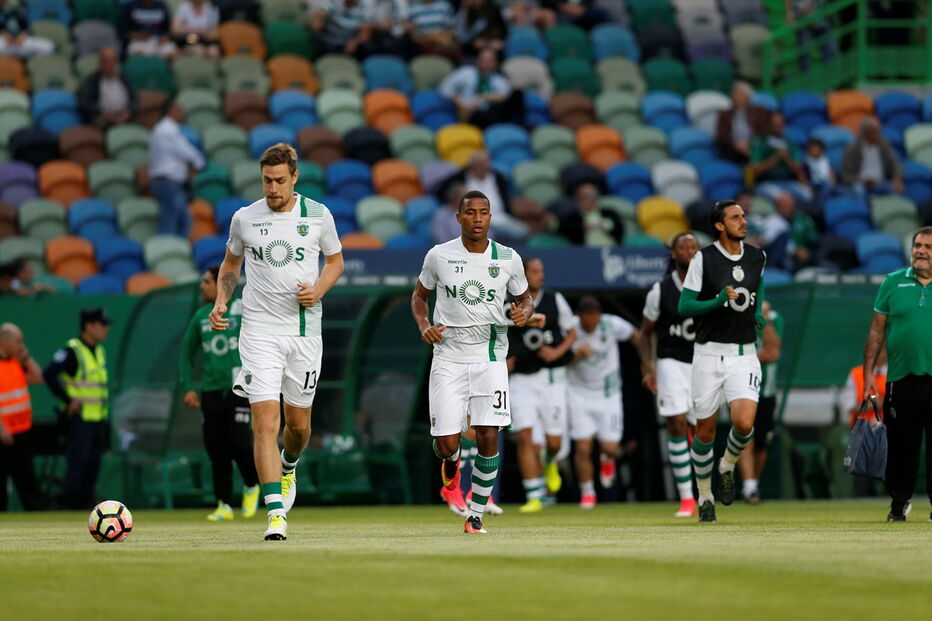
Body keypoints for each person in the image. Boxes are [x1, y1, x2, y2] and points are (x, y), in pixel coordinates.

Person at [210, 143, 344, 541]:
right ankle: (275, 516)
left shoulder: (318, 215)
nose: (272, 189)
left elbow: (335, 261)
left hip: (304, 332)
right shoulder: (245, 218)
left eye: (280, 181)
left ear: (295, 177)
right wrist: (221, 300)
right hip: (258, 331)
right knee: (265, 420)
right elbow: (231, 264)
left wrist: (318, 289)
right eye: (267, 181)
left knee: (298, 426)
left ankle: (289, 465)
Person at [411, 189, 533, 534]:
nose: (477, 219)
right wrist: (424, 326)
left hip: (490, 356)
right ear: (459, 217)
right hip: (448, 357)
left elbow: (526, 299)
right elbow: (420, 297)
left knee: (487, 434)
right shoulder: (439, 256)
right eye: (471, 213)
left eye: (484, 213)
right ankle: (451, 463)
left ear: (490, 218)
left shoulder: (509, 258)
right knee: (448, 442)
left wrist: (524, 312)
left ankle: (475, 513)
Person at [678, 199, 767, 523]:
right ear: (719, 225)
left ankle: (727, 465)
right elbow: (685, 305)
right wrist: (716, 301)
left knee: (744, 424)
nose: (743, 221)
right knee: (705, 431)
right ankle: (705, 497)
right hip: (707, 354)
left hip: (743, 354)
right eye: (735, 217)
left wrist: (757, 313)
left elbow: (759, 284)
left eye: (744, 215)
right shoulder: (704, 258)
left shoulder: (758, 256)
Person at [861, 226, 932, 522]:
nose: (921, 251)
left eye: (928, 246)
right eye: (918, 245)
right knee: (902, 446)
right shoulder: (892, 282)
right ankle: (898, 504)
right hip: (901, 379)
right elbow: (876, 332)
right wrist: (868, 376)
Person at [179, 266, 260, 522]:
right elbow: (186, 353)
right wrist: (188, 386)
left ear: (220, 285)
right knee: (216, 449)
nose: (202, 286)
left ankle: (251, 484)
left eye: (206, 281)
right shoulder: (201, 317)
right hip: (212, 390)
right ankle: (224, 504)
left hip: (240, 388)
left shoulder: (243, 311)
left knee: (239, 441)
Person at [637, 232, 700, 518]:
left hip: (704, 363)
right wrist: (647, 366)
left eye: (693, 246)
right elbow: (644, 333)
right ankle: (687, 499)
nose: (688, 249)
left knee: (702, 430)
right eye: (682, 246)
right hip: (671, 361)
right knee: (675, 421)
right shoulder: (660, 291)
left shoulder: (711, 287)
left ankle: (706, 491)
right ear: (674, 254)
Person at [507, 257, 576, 513]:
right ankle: (534, 495)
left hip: (551, 379)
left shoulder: (555, 299)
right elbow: (498, 330)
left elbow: (572, 333)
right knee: (525, 437)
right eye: (535, 271)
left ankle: (550, 462)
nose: (541, 275)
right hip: (522, 380)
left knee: (553, 442)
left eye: (542, 271)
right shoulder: (509, 303)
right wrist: (505, 358)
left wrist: (557, 352)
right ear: (523, 275)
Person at [567, 296, 641, 509]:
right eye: (586, 318)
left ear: (599, 316)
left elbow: (636, 335)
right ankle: (588, 493)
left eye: (594, 318)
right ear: (579, 316)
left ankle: (608, 458)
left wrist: (646, 361)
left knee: (609, 448)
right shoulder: (569, 328)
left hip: (608, 395)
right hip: (579, 394)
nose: (590, 323)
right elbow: (558, 357)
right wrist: (575, 355)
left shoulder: (612, 324)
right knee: (583, 446)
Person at [42, 309, 112, 510]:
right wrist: (68, 399)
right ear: (89, 326)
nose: (106, 329)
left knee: (93, 466)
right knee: (78, 465)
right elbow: (49, 374)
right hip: (79, 420)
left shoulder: (99, 350)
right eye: (102, 324)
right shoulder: (72, 350)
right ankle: (70, 507)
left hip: (98, 418)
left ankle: (87, 507)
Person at [737, 299, 783, 503]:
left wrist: (764, 318)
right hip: (741, 387)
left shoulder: (774, 319)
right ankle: (748, 486)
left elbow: (773, 351)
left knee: (762, 441)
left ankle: (753, 484)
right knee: (745, 434)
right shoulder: (738, 316)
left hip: (766, 390)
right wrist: (755, 357)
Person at [0, 323, 45, 511]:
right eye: (18, 341)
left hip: (22, 432)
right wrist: (1, 429)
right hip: (4, 435)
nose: (21, 344)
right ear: (5, 340)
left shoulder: (16, 361)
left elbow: (38, 377)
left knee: (28, 482)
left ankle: (38, 518)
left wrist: (25, 355)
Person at [438, 151, 528, 244]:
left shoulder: (497, 177)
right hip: (475, 221)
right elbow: (446, 194)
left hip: (501, 219)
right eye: (481, 164)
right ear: (473, 165)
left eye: (487, 164)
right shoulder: (460, 178)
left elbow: (507, 197)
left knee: (522, 232)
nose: (485, 167)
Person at [149, 101, 206, 237]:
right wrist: (199, 163)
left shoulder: (170, 129)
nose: (183, 112)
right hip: (167, 182)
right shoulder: (166, 129)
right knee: (173, 219)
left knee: (181, 219)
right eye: (179, 109)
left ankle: (174, 248)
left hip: (172, 182)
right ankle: (167, 248)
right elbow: (186, 151)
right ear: (172, 110)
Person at [438, 48, 524, 129]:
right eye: (483, 60)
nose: (486, 63)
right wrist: (459, 102)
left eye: (490, 60)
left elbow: (505, 95)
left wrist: (485, 97)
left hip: (491, 112)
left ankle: (518, 128)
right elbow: (445, 87)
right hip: (468, 111)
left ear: (496, 62)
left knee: (517, 95)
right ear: (477, 60)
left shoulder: (498, 79)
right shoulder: (465, 73)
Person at [750, 112, 811, 201]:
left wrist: (786, 158)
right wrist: (776, 157)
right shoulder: (759, 143)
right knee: (782, 198)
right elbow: (755, 171)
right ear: (769, 125)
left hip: (788, 182)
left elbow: (798, 170)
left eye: (780, 124)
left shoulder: (791, 144)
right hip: (767, 183)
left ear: (784, 125)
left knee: (807, 195)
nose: (777, 127)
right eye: (774, 124)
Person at [840, 117, 904, 197]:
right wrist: (862, 180)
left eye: (879, 131)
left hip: (881, 181)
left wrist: (897, 178)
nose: (878, 135)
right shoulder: (852, 148)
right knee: (858, 192)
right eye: (875, 132)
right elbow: (846, 175)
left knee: (895, 192)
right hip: (860, 182)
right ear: (865, 133)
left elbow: (895, 162)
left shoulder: (884, 144)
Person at [77, 47, 137, 130]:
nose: (109, 64)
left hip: (125, 115)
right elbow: (86, 102)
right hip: (103, 116)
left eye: (112, 61)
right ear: (100, 62)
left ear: (116, 62)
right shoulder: (93, 80)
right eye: (105, 61)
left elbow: (134, 98)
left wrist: (128, 112)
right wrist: (102, 112)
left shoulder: (124, 78)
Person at [757, 192, 817, 272]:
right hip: (771, 261)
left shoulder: (790, 221)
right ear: (778, 207)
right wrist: (795, 251)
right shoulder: (773, 222)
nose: (790, 208)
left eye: (791, 206)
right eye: (786, 206)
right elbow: (766, 242)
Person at [715, 82, 771, 164]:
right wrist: (736, 144)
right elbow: (721, 136)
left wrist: (750, 143)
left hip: (754, 146)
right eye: (734, 93)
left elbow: (764, 130)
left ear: (748, 97)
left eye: (738, 94)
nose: (734, 96)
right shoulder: (725, 115)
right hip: (733, 148)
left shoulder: (759, 112)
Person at [556, 182, 624, 246]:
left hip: (611, 251)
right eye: (582, 196)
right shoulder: (572, 218)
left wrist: (603, 225)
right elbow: (563, 231)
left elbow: (619, 230)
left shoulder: (610, 213)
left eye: (590, 195)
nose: (586, 199)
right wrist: (582, 227)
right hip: (585, 253)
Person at [310, 0, 377, 58]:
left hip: (350, 41)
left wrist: (356, 41)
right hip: (330, 39)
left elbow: (365, 33)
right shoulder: (334, 2)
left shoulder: (365, 7)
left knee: (369, 47)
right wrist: (317, 23)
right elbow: (319, 15)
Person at [802, 138, 836, 203]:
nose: (814, 151)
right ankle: (820, 204)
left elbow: (832, 176)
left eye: (817, 149)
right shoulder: (806, 162)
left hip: (825, 184)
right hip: (812, 184)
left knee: (840, 190)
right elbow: (803, 179)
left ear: (821, 150)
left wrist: (832, 183)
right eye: (812, 149)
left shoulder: (826, 161)